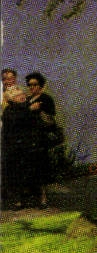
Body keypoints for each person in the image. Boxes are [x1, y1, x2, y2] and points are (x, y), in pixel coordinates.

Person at [10, 74, 59, 208]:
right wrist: (29, 110)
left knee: (39, 169)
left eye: (34, 84)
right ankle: (23, 200)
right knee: (24, 169)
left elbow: (49, 119)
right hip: (26, 139)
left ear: (41, 85)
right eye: (29, 85)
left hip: (39, 139)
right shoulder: (27, 100)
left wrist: (35, 112)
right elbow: (20, 118)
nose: (31, 87)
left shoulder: (45, 99)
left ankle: (43, 199)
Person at [1, 75, 32, 209]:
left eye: (21, 94)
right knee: (16, 173)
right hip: (14, 147)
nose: (21, 96)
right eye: (17, 95)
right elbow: (14, 123)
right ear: (11, 99)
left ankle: (31, 197)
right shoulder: (9, 111)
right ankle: (19, 200)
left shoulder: (28, 106)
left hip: (28, 144)